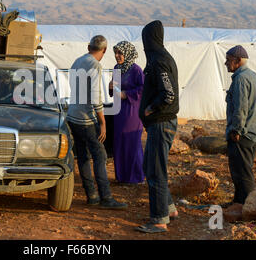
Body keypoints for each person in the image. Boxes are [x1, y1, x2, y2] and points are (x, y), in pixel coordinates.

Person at [67, 35, 128, 210]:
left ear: (88, 47)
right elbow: (95, 97)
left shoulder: (77, 61)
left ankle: (91, 195)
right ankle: (106, 197)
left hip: (73, 115)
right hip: (86, 119)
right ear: (105, 50)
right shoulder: (95, 65)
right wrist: (102, 122)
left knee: (83, 156)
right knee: (100, 156)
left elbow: (73, 86)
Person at [136, 20, 179, 233]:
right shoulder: (159, 58)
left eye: (145, 40)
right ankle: (169, 209)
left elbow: (168, 94)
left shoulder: (160, 60)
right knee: (152, 167)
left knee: (154, 170)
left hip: (161, 123)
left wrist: (149, 109)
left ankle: (159, 219)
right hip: (159, 124)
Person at [223, 45, 256, 210]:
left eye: (228, 60)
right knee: (240, 171)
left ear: (238, 61)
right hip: (253, 132)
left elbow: (241, 107)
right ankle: (238, 203)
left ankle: (249, 210)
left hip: (243, 134)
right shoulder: (253, 76)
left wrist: (236, 130)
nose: (226, 63)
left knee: (243, 173)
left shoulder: (241, 79)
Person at [109, 41, 145, 184]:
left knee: (131, 142)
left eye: (120, 53)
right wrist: (111, 87)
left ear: (128, 54)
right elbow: (115, 89)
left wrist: (126, 94)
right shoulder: (117, 68)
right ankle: (122, 176)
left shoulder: (136, 70)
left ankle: (136, 177)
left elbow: (143, 89)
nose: (117, 56)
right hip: (119, 110)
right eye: (116, 53)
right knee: (120, 141)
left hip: (132, 110)